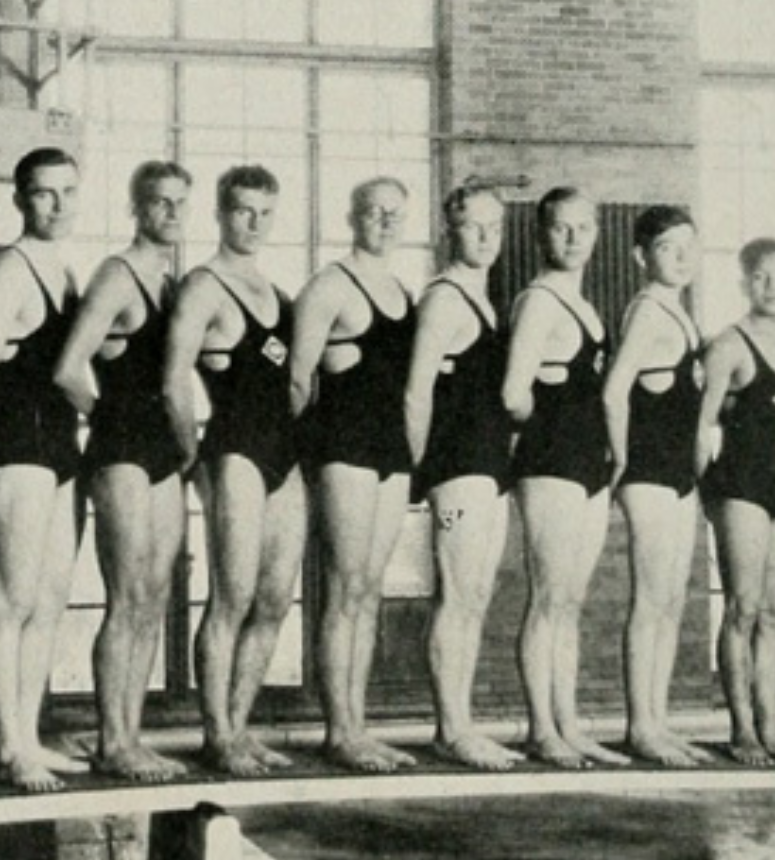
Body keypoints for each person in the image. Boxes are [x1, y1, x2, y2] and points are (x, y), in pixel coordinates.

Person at [165, 165, 306, 776]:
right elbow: (172, 380)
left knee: (275, 601)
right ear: (221, 213)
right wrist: (189, 455)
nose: (254, 223)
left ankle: (241, 728)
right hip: (235, 449)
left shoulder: (278, 294)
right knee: (232, 596)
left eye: (265, 212)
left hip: (284, 454)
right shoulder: (202, 286)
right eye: (243, 211)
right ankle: (216, 733)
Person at [54, 161, 191, 783]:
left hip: (160, 450)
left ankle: (131, 735)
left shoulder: (170, 284)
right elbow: (66, 368)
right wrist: (107, 418)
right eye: (159, 203)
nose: (171, 214)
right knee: (127, 595)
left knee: (154, 597)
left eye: (179, 204)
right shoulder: (116, 276)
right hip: (123, 451)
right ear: (136, 208)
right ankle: (112, 742)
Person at [0, 148, 89, 792]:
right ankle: (10, 745)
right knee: (13, 600)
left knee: (50, 598)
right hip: (17, 446)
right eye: (45, 193)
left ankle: (30, 734)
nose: (58, 205)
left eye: (69, 191)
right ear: (20, 199)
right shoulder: (9, 268)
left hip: (57, 445)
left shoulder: (62, 270)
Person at [289, 176, 417, 773]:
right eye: (374, 212)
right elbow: (295, 382)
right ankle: (339, 730)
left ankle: (357, 725)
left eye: (395, 214)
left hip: (389, 451)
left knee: (369, 589)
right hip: (343, 447)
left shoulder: (401, 290)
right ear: (351, 216)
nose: (386, 223)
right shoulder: (327, 286)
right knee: (343, 588)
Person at [502, 186, 629, 768]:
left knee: (571, 600)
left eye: (584, 228)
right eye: (561, 228)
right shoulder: (538, 302)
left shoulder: (584, 304)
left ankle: (569, 725)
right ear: (540, 235)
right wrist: (547, 424)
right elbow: (511, 394)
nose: (574, 238)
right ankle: (540, 728)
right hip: (550, 461)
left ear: (597, 236)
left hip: (587, 464)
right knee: (548, 596)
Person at [404, 182, 526, 771]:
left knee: (475, 594)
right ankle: (451, 728)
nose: (485, 237)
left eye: (494, 227)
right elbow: (416, 390)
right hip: (455, 475)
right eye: (473, 226)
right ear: (449, 230)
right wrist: (419, 472)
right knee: (457, 594)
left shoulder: (484, 299)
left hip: (487, 468)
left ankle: (461, 723)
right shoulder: (445, 298)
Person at [698, 238, 775, 767]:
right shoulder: (729, 343)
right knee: (742, 609)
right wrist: (707, 493)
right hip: (741, 490)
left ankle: (772, 727)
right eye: (760, 277)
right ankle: (742, 730)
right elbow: (701, 426)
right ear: (743, 283)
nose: (770, 287)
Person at [601, 206, 716, 767]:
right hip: (647, 472)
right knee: (650, 602)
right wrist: (620, 456)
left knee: (671, 601)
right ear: (641, 256)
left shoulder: (679, 312)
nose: (682, 257)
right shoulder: (647, 310)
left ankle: (659, 722)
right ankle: (641, 727)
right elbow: (614, 388)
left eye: (689, 246)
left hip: (676, 475)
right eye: (669, 247)